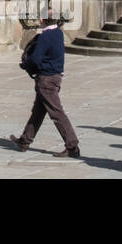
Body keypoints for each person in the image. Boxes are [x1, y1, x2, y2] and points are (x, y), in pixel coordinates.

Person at [8, 10, 80, 158]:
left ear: (42, 20)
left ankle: (72, 146)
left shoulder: (45, 36)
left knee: (56, 112)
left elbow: (35, 59)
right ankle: (25, 140)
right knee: (38, 111)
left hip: (46, 79)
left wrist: (25, 65)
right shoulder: (58, 33)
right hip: (54, 76)